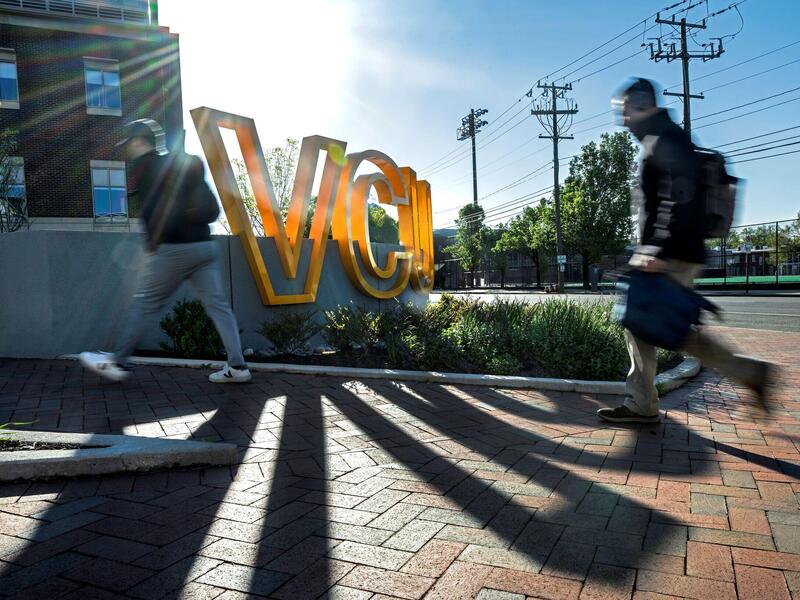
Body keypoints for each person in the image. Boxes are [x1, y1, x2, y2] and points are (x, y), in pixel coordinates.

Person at [597, 78, 771, 424]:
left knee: (664, 327)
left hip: (669, 254)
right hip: (670, 251)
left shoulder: (664, 139)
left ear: (642, 104)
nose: (622, 120)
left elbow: (679, 196)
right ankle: (643, 402)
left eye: (625, 111)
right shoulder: (661, 137)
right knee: (650, 327)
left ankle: (746, 374)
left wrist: (657, 249)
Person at [79, 119, 251, 384]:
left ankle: (116, 362)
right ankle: (238, 366)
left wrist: (151, 247)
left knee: (146, 304)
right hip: (205, 247)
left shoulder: (146, 166)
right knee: (218, 306)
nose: (129, 150)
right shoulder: (180, 165)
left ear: (139, 141)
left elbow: (151, 212)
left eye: (129, 144)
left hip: (173, 249)